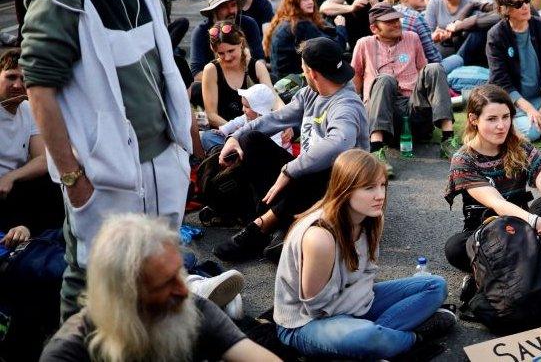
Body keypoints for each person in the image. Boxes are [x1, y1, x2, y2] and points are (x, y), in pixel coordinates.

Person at [21, 0, 193, 320]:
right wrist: (73, 177)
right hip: (103, 179)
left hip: (161, 166)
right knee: (91, 286)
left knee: (156, 279)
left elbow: (162, 71)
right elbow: (38, 89)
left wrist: (181, 136)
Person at [274, 149, 455, 360]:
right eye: (369, 188)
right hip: (304, 323)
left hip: (354, 304)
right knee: (369, 336)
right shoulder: (320, 237)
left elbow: (367, 276)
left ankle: (379, 341)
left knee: (436, 285)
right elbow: (318, 308)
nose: (380, 195)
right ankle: (414, 337)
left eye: (382, 185)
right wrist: (362, 301)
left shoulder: (372, 218)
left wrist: (361, 300)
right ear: (345, 189)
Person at [40, 214, 277, 361]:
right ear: (126, 297)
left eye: (179, 274)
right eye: (166, 283)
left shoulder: (189, 307)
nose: (184, 291)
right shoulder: (68, 352)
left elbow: (250, 353)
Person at [215, 37, 369, 261]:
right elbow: (276, 119)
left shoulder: (346, 104)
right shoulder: (311, 93)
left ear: (312, 72)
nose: (303, 73)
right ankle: (286, 226)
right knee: (251, 140)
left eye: (304, 69)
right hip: (306, 186)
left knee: (320, 167)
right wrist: (235, 137)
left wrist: (290, 169)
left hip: (340, 188)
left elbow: (338, 144)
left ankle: (263, 227)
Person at [443, 84, 541, 277]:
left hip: (523, 223)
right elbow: (496, 202)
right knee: (454, 248)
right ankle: (534, 258)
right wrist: (536, 222)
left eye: (506, 117)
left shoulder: (522, 148)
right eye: (492, 119)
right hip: (487, 230)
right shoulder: (463, 159)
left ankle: (499, 268)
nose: (501, 125)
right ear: (473, 120)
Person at [353, 3, 456, 168]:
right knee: (385, 79)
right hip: (385, 114)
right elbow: (356, 78)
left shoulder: (412, 38)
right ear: (374, 28)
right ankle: (376, 148)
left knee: (434, 68)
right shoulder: (364, 44)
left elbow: (424, 71)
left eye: (397, 19)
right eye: (389, 22)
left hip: (416, 110)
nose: (396, 23)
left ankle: (448, 139)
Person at [487, 0, 541, 141]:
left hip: (540, 97)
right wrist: (529, 110)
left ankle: (531, 116)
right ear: (504, 9)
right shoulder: (496, 35)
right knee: (532, 132)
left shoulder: (539, 25)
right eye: (518, 4)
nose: (525, 6)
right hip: (514, 100)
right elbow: (501, 81)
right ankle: (508, 119)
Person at [0, 49, 62, 236]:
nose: (18, 85)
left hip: (14, 185)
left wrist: (11, 177)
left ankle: (26, 229)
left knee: (58, 179)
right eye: (11, 77)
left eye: (24, 79)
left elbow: (42, 160)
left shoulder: (27, 108)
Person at [201, 20, 275, 129]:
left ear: (241, 43)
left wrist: (284, 120)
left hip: (256, 129)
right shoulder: (211, 70)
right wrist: (238, 130)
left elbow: (274, 99)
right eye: (221, 53)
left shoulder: (257, 66)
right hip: (225, 131)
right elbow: (211, 115)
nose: (227, 57)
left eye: (231, 51)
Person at [266, 0, 342, 79]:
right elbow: (334, 50)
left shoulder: (285, 21)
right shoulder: (300, 25)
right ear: (294, 3)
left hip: (284, 79)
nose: (311, 2)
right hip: (294, 83)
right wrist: (340, 27)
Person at [426, 0, 495, 71]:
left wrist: (455, 31)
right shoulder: (435, 2)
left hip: (465, 46)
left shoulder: (470, 1)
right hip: (441, 46)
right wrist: (436, 36)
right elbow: (427, 33)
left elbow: (476, 30)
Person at [190, 0, 266, 77]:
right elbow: (196, 71)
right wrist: (224, 84)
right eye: (224, 7)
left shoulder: (249, 24)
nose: (231, 11)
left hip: (246, 77)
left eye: (233, 5)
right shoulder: (201, 31)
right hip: (215, 81)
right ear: (214, 11)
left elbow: (260, 59)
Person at [387, 0, 441, 64]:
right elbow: (434, 58)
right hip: (415, 71)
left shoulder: (388, 13)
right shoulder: (416, 18)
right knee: (457, 59)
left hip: (392, 67)